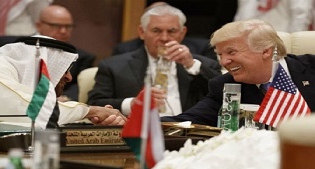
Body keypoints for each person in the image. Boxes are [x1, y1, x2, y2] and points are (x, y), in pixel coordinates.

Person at [161, 19, 315, 127]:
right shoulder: (224, 86)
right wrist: (142, 123)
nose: (224, 62)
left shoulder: (311, 68)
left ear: (266, 51)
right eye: (220, 55)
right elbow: (186, 121)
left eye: (231, 52)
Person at [87, 4, 222, 117]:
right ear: (141, 32)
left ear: (183, 32)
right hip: (138, 136)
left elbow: (222, 96)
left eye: (172, 31)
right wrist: (133, 103)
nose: (164, 38)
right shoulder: (113, 66)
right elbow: (94, 104)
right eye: (156, 31)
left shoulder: (203, 65)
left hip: (188, 136)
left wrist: (191, 65)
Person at [0, 35, 126, 128]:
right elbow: (31, 111)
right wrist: (90, 111)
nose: (69, 77)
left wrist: (95, 123)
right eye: (65, 68)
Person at [0, 5, 96, 101]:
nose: (63, 31)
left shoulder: (81, 57)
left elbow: (78, 86)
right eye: (55, 26)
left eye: (68, 27)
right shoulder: (9, 45)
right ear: (38, 25)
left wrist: (64, 98)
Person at [234, 0, 313, 32]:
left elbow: (301, 15)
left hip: (280, 38)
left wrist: (292, 44)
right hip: (248, 39)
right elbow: (242, 13)